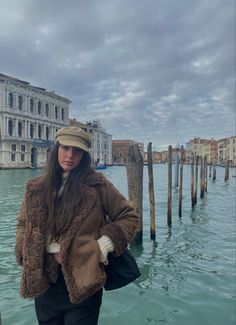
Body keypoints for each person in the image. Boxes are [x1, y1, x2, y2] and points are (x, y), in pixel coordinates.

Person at [15, 126, 138, 325]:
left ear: (84, 155)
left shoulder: (98, 185)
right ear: (56, 149)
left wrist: (103, 246)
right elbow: (22, 224)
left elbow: (129, 216)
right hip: (45, 281)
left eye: (77, 150)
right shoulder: (36, 188)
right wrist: (27, 250)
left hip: (85, 279)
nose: (70, 155)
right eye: (65, 148)